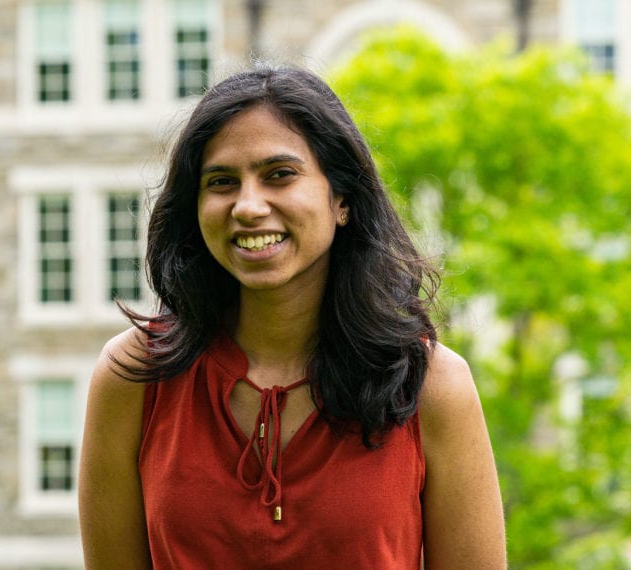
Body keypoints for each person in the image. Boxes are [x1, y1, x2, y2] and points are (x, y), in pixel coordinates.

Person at [78, 64, 506, 569]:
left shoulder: (432, 385)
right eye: (221, 182)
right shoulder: (133, 378)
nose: (248, 206)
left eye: (279, 174)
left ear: (341, 198)